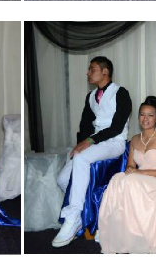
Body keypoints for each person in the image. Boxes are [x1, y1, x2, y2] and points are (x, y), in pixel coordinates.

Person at [53, 56, 133, 248]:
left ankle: (73, 216)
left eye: (92, 69)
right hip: (95, 142)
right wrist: (81, 143)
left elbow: (116, 127)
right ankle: (83, 214)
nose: (88, 73)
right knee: (62, 179)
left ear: (105, 72)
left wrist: (89, 141)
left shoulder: (121, 93)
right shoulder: (91, 96)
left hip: (114, 142)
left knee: (81, 158)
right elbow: (85, 126)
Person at [95, 95, 156, 254]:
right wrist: (131, 171)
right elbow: (130, 166)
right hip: (139, 178)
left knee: (131, 181)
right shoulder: (134, 140)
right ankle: (120, 234)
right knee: (117, 179)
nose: (145, 119)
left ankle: (139, 235)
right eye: (142, 114)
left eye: (150, 115)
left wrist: (140, 173)